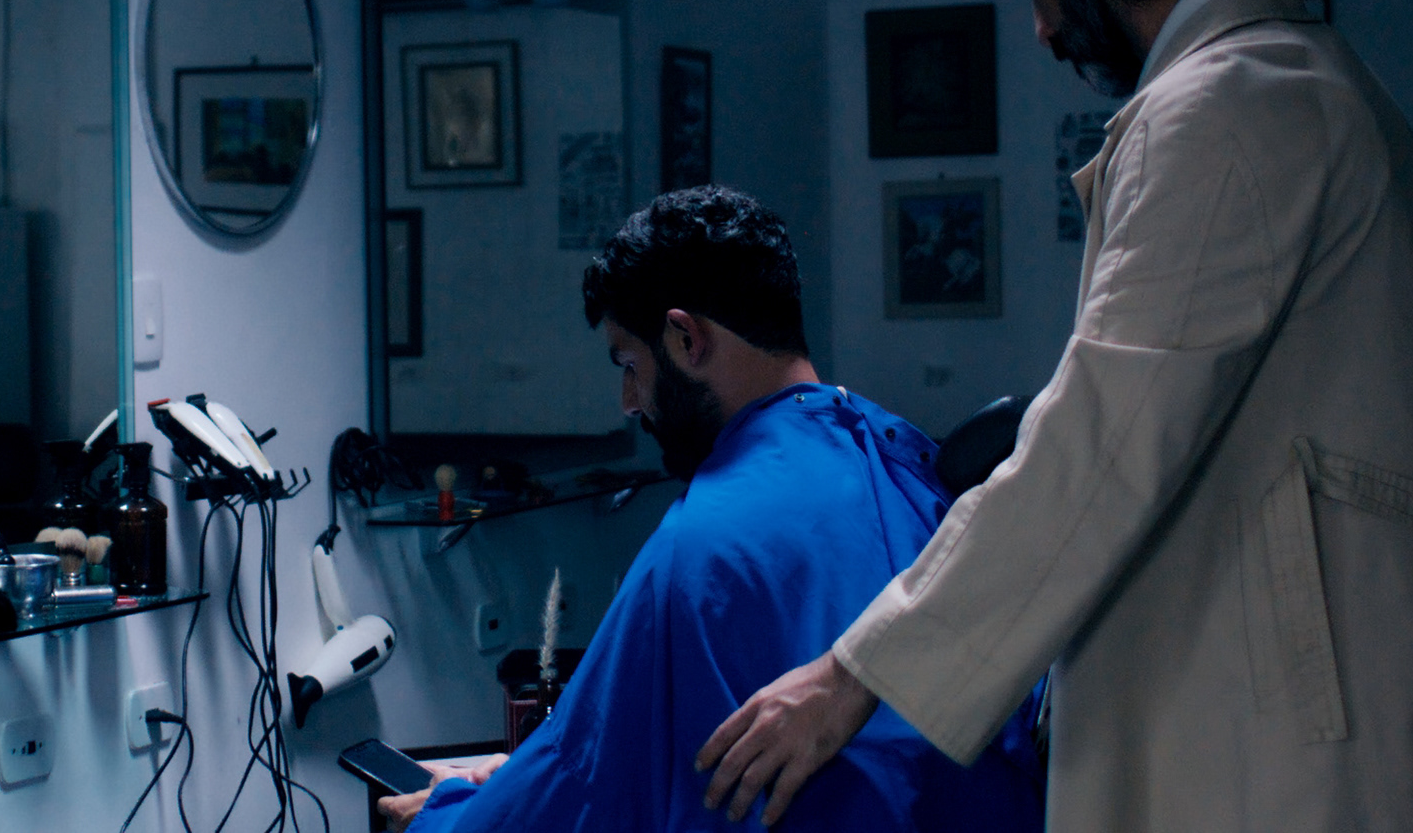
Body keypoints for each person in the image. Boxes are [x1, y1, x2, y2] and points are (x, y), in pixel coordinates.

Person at [697, 0, 1413, 830]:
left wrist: (850, 674)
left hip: (1273, 728)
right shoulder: (1298, 81)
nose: (1044, 30)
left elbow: (1102, 441)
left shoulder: (1227, 105)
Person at [379, 187, 1043, 833]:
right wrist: (524, 778)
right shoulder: (908, 465)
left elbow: (582, 790)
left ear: (684, 339)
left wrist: (445, 813)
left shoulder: (696, 549)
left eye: (629, 362)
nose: (629, 401)